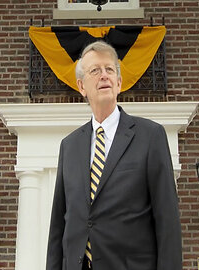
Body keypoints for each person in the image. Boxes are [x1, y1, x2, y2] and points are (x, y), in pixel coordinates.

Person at [46, 40, 182, 270]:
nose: (104, 75)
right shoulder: (68, 146)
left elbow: (167, 221)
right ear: (81, 86)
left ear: (119, 83)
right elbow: (59, 224)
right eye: (95, 70)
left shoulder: (150, 136)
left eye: (109, 69)